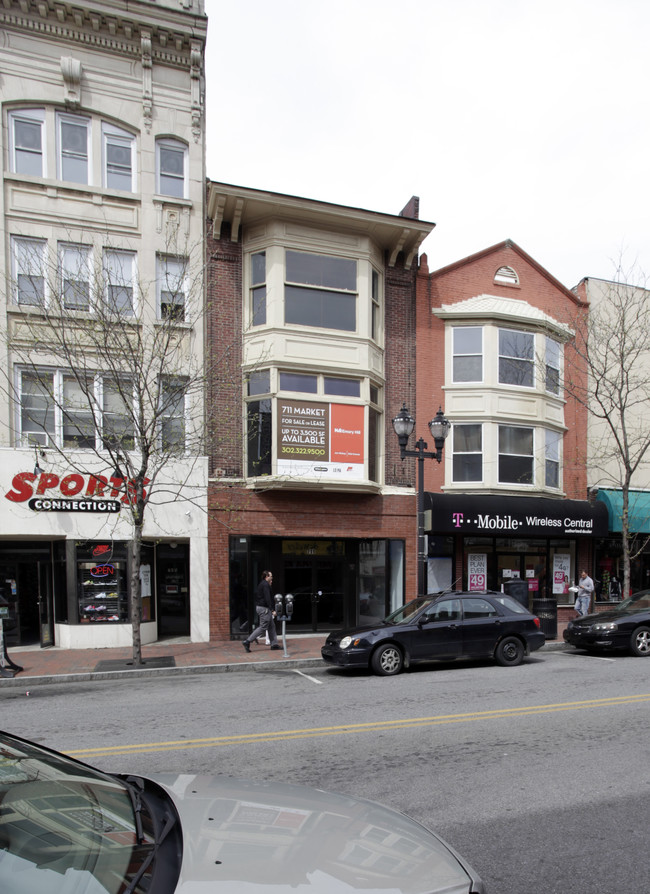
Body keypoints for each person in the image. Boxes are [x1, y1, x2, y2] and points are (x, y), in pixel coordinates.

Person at [242, 571, 280, 652]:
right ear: (267, 576)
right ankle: (247, 641)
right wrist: (272, 609)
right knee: (263, 627)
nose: (272, 577)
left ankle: (274, 644)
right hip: (264, 609)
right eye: (271, 576)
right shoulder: (265, 585)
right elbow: (267, 598)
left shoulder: (263, 584)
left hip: (263, 608)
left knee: (271, 626)